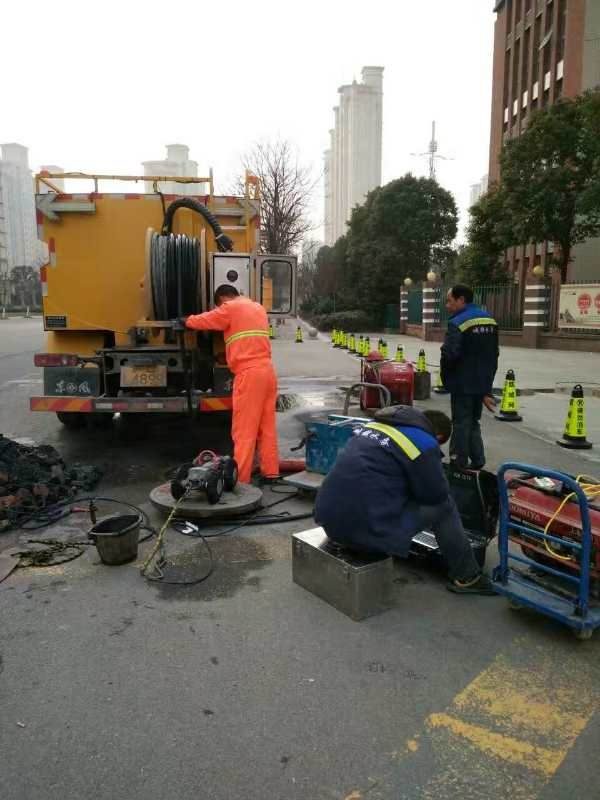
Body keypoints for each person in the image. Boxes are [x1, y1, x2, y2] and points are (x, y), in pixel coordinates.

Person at [314, 405, 495, 595]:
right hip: (365, 530)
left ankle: (376, 538)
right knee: (444, 505)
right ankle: (467, 576)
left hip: (329, 521)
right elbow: (435, 494)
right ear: (439, 437)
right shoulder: (423, 442)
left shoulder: (372, 427)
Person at [180, 285, 279, 484]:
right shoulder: (257, 307)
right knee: (266, 427)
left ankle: (240, 479)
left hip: (249, 373)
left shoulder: (230, 307)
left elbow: (207, 319)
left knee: (244, 430)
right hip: (268, 371)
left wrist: (186, 321)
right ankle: (271, 473)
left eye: (219, 305)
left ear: (223, 299)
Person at [440, 284, 499, 471]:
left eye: (449, 301)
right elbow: (494, 354)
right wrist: (486, 388)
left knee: (460, 422)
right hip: (482, 382)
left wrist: (446, 378)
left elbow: (450, 355)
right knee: (473, 421)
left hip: (462, 382)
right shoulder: (490, 321)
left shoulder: (458, 322)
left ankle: (458, 463)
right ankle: (478, 459)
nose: (447, 305)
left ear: (461, 300)